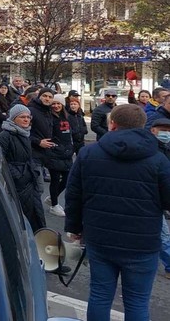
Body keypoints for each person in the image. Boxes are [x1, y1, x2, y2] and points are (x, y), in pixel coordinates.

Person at [66, 105, 170, 320]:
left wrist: (74, 228)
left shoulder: (88, 153)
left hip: (100, 238)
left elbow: (74, 195)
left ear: (112, 123)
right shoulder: (159, 160)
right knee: (137, 301)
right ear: (144, 125)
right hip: (143, 242)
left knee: (100, 295)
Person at [0, 105, 46, 232]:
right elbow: (0, 158)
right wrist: (16, 174)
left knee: (34, 210)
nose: (26, 120)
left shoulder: (25, 133)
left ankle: (36, 236)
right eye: (22, 117)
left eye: (28, 117)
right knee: (21, 212)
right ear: (13, 119)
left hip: (28, 177)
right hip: (17, 180)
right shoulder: (6, 135)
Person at [148, 117, 170, 281]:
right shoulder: (148, 149)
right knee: (164, 235)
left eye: (168, 130)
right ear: (153, 131)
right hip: (152, 199)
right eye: (162, 130)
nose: (166, 133)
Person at [45, 94, 74, 218]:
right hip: (54, 152)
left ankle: (52, 198)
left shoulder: (66, 116)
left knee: (67, 179)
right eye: (54, 103)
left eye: (58, 104)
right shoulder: (48, 118)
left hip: (66, 152)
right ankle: (54, 205)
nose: (56, 106)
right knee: (55, 179)